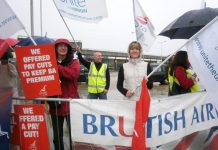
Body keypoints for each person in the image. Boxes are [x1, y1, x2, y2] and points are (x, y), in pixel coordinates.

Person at [49, 39, 80, 150]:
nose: (63, 48)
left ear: (68, 49)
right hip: (55, 105)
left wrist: (56, 67)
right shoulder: (48, 62)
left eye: (65, 46)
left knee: (74, 136)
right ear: (56, 49)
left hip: (71, 105)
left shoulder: (74, 62)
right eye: (60, 46)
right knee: (57, 137)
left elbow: (73, 74)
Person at [0, 52, 18, 149]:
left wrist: (9, 69)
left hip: (8, 93)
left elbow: (15, 75)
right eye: (2, 59)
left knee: (5, 118)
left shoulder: (11, 66)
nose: (4, 61)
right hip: (0, 92)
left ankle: (5, 142)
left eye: (5, 59)